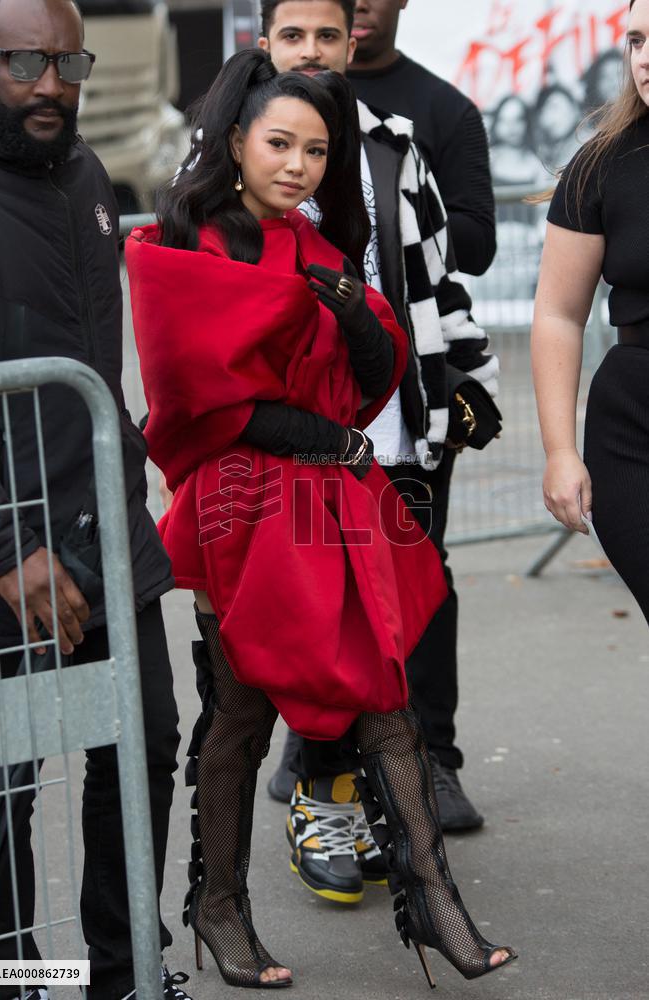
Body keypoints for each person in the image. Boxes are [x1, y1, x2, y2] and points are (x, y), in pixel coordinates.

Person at [127, 48, 516, 990]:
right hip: (237, 504)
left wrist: (357, 322)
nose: (299, 165)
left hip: (323, 500)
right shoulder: (186, 245)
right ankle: (219, 908)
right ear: (235, 142)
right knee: (242, 710)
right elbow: (196, 396)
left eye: (316, 150)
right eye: (280, 144)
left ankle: (433, 901)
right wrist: (320, 434)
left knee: (387, 691)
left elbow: (375, 379)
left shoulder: (322, 248)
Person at [259, 0, 497, 910]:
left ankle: (429, 760)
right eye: (297, 33)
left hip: (407, 413)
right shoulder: (252, 129)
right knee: (313, 594)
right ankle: (315, 757)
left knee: (416, 581)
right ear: (267, 39)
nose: (319, 45)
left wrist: (463, 381)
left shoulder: (425, 123)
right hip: (299, 427)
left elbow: (457, 251)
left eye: (332, 29)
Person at [0, 2, 191, 998]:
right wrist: (9, 547)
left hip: (106, 531)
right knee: (0, 789)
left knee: (143, 744)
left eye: (69, 60)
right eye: (25, 60)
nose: (53, 83)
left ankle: (122, 970)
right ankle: (14, 977)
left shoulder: (89, 178)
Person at [532, 0, 649, 626]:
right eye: (636, 41)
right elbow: (557, 313)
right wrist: (560, 452)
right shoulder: (600, 166)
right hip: (634, 429)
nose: (646, 58)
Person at [346, 0, 496, 277]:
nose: (359, 5)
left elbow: (478, 248)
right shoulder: (279, 100)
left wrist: (391, 207)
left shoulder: (449, 109)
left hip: (412, 314)